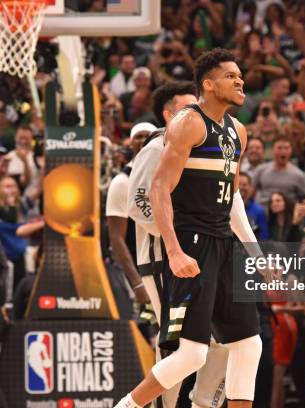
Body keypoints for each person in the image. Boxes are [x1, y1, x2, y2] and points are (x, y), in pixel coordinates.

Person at [116, 48, 262, 408]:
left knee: (248, 344)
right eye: (231, 76)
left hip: (223, 243)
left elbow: (233, 201)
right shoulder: (188, 123)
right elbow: (159, 189)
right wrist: (175, 250)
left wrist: (256, 255)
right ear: (208, 85)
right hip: (191, 243)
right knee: (191, 356)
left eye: (240, 75)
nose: (240, 80)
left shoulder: (238, 132)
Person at [128, 81, 229, 408]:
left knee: (221, 341)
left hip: (196, 256)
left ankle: (203, 402)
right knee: (175, 346)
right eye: (189, 108)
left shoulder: (200, 147)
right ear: (169, 114)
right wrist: (176, 235)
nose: (197, 113)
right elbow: (138, 202)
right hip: (162, 259)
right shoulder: (157, 146)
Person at [106, 122, 157, 306]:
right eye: (138, 136)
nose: (143, 140)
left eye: (147, 136)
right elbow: (116, 238)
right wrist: (137, 283)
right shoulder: (122, 182)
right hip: (140, 267)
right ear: (131, 143)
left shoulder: (170, 174)